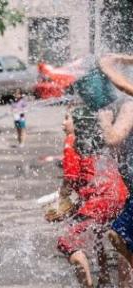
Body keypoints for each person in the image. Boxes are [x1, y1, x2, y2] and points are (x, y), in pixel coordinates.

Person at [49, 107, 128, 288]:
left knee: (67, 242)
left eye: (67, 118)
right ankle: (105, 278)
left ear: (78, 122)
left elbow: (70, 179)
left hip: (100, 201)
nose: (63, 123)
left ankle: (87, 285)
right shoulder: (102, 139)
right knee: (99, 233)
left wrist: (61, 202)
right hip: (119, 196)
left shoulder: (72, 142)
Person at [94, 54, 133, 287]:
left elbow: (112, 138)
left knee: (117, 235)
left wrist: (105, 122)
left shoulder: (130, 105)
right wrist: (120, 59)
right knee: (118, 236)